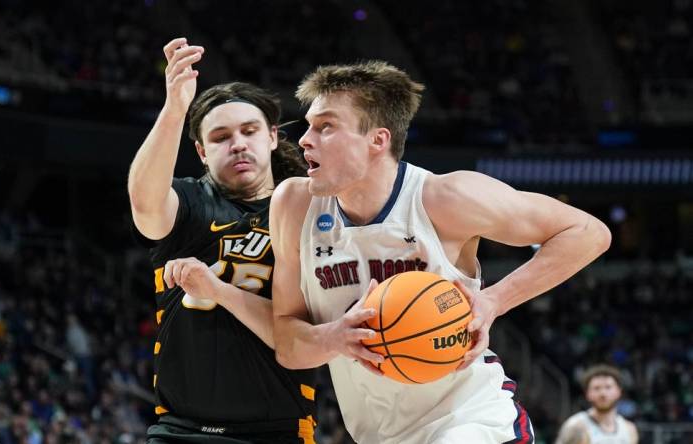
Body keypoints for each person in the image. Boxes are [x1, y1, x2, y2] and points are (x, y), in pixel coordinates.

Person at [269, 60, 612, 444]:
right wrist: (337, 337)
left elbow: (587, 232)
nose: (304, 140)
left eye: (326, 126)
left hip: (472, 420)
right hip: (380, 434)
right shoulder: (294, 206)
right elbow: (288, 347)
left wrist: (494, 300)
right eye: (310, 125)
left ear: (377, 141)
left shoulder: (445, 198)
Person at [128, 37, 315, 444]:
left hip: (277, 429)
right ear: (200, 151)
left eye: (249, 131)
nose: (238, 144)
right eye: (220, 137)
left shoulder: (306, 211)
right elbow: (144, 203)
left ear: (270, 136)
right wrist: (175, 108)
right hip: (179, 429)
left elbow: (297, 335)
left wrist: (218, 290)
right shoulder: (192, 201)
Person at [555, 365, 638, 444]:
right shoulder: (576, 426)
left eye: (608, 387)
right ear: (587, 394)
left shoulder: (629, 429)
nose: (603, 393)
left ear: (619, 391)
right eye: (596, 388)